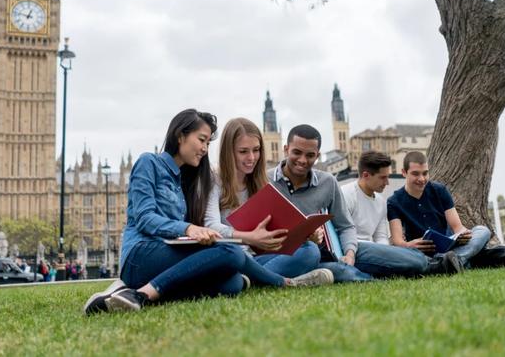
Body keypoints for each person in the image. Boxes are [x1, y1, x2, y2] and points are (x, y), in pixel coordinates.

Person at [84, 110, 331, 316]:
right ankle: (139, 294)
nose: (204, 148)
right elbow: (146, 218)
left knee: (233, 282)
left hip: (169, 256)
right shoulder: (149, 162)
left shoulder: (186, 180)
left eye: (208, 142)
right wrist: (189, 229)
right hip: (140, 253)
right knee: (230, 252)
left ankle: (124, 293)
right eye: (201, 140)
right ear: (181, 136)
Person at [204, 117, 326, 282]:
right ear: (229, 151)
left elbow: (272, 231)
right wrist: (249, 237)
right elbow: (210, 226)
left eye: (256, 150)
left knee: (310, 250)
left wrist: (303, 234)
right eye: (243, 151)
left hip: (258, 258)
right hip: (232, 258)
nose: (252, 158)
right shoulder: (214, 179)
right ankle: (274, 280)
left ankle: (254, 279)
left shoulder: (260, 181)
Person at [267, 124, 371, 282]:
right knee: (337, 269)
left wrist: (349, 254)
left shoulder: (328, 182)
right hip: (276, 255)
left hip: (316, 254)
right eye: (296, 153)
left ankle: (293, 277)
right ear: (286, 149)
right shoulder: (264, 180)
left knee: (411, 261)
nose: (302, 160)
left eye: (310, 155)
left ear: (318, 155)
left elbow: (345, 225)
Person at [341, 150, 461, 277]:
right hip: (355, 250)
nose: (387, 183)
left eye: (388, 177)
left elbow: (381, 237)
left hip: (374, 251)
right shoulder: (346, 194)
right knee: (417, 258)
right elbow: (343, 231)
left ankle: (437, 263)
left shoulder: (381, 202)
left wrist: (387, 254)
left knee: (412, 255)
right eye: (383, 178)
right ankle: (438, 265)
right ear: (366, 175)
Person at [387, 151, 491, 270]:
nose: (421, 179)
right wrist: (409, 245)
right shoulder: (394, 201)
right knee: (409, 258)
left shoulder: (439, 190)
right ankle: (458, 261)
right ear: (404, 173)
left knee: (482, 230)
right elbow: (397, 241)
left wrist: (463, 233)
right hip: (420, 253)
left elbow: (457, 227)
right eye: (416, 174)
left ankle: (451, 261)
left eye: (425, 173)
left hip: (450, 249)